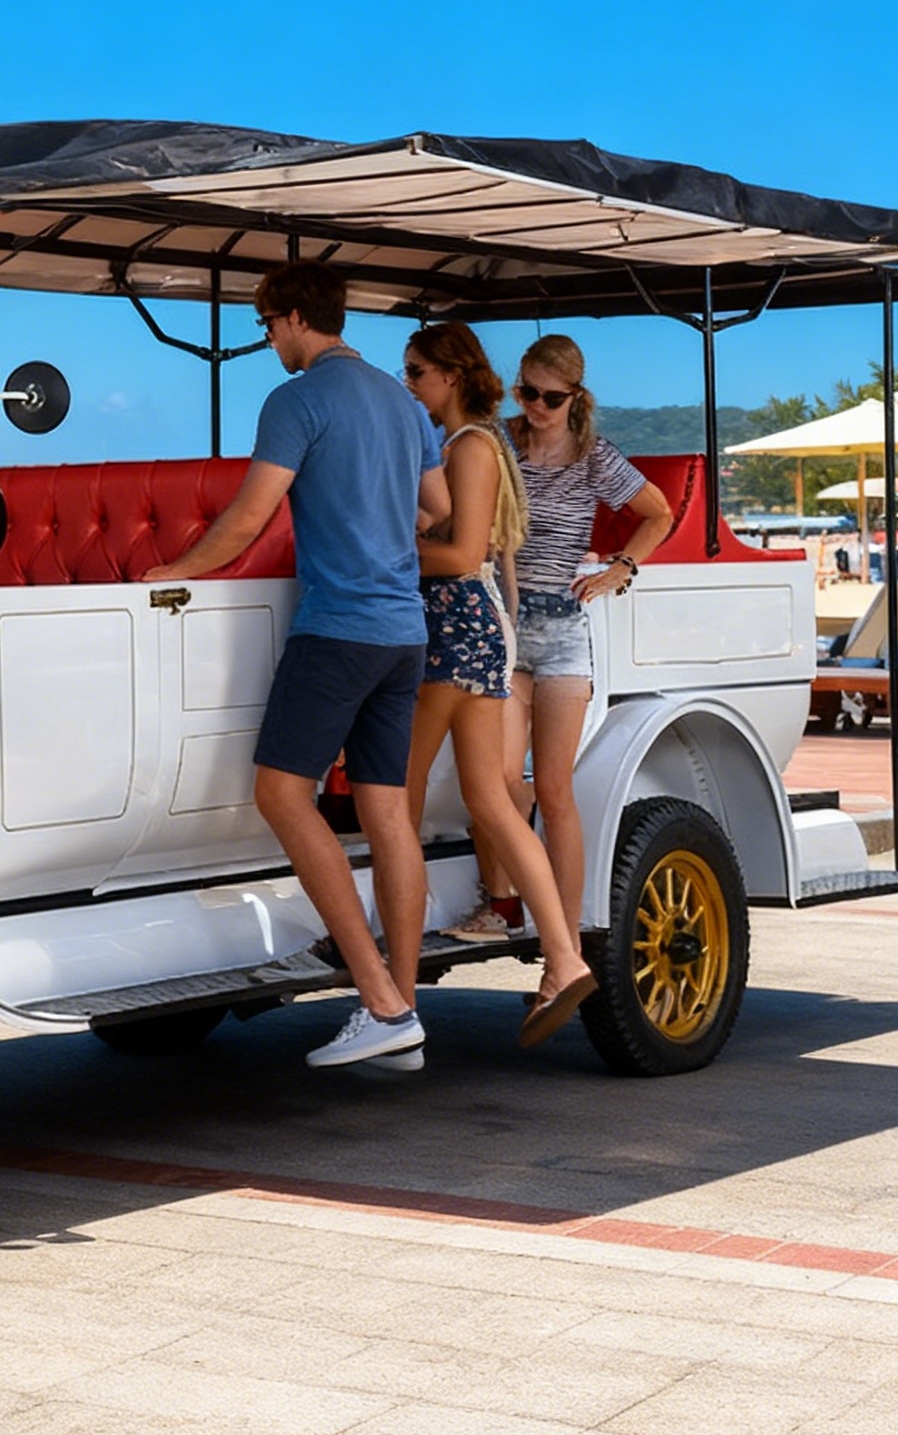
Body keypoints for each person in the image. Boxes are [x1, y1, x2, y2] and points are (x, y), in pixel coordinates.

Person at [145, 261, 450, 1070]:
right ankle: (402, 1011)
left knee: (282, 793)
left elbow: (248, 517)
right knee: (388, 815)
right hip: (402, 631)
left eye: (266, 327)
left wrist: (170, 574)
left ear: (289, 318)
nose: (269, 341)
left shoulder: (298, 399)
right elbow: (440, 509)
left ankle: (379, 999)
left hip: (339, 629)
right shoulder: (401, 399)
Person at [399, 323, 597, 1045]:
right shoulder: (474, 445)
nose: (408, 383)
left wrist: (384, 551)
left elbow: (463, 553)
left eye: (416, 371)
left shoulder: (473, 446)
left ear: (450, 375)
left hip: (455, 628)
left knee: (402, 789)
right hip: (481, 632)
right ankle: (564, 957)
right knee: (492, 796)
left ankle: (396, 955)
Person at [468, 333, 672, 941]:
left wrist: (621, 569)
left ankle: (570, 927)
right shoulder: (499, 441)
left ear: (574, 397)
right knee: (501, 780)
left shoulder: (594, 456)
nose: (534, 406)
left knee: (555, 789)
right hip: (505, 621)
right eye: (525, 391)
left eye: (548, 398)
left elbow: (657, 513)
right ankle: (500, 905)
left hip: (562, 629)